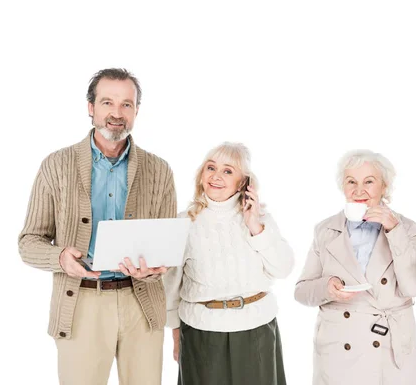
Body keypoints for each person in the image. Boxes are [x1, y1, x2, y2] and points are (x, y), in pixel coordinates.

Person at [18, 68, 176, 385]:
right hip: (82, 303)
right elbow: (29, 242)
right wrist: (61, 258)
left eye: (126, 105)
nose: (116, 114)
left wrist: (156, 267)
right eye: (107, 103)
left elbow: (168, 246)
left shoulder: (159, 170)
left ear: (136, 111)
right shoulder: (56, 165)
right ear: (91, 108)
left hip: (142, 304)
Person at [164, 142, 294, 385]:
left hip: (255, 330)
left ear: (243, 182)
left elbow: (283, 268)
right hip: (201, 332)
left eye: (228, 171)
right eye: (211, 168)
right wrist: (174, 332)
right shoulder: (184, 222)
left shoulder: (260, 220)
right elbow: (171, 285)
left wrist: (255, 225)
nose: (216, 176)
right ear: (201, 175)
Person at [294, 149, 416, 385]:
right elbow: (301, 292)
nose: (359, 191)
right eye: (351, 182)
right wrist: (328, 288)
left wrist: (393, 230)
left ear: (384, 186)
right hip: (339, 351)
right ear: (343, 187)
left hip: (388, 350)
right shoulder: (325, 230)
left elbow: (415, 287)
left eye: (369, 181)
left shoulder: (406, 228)